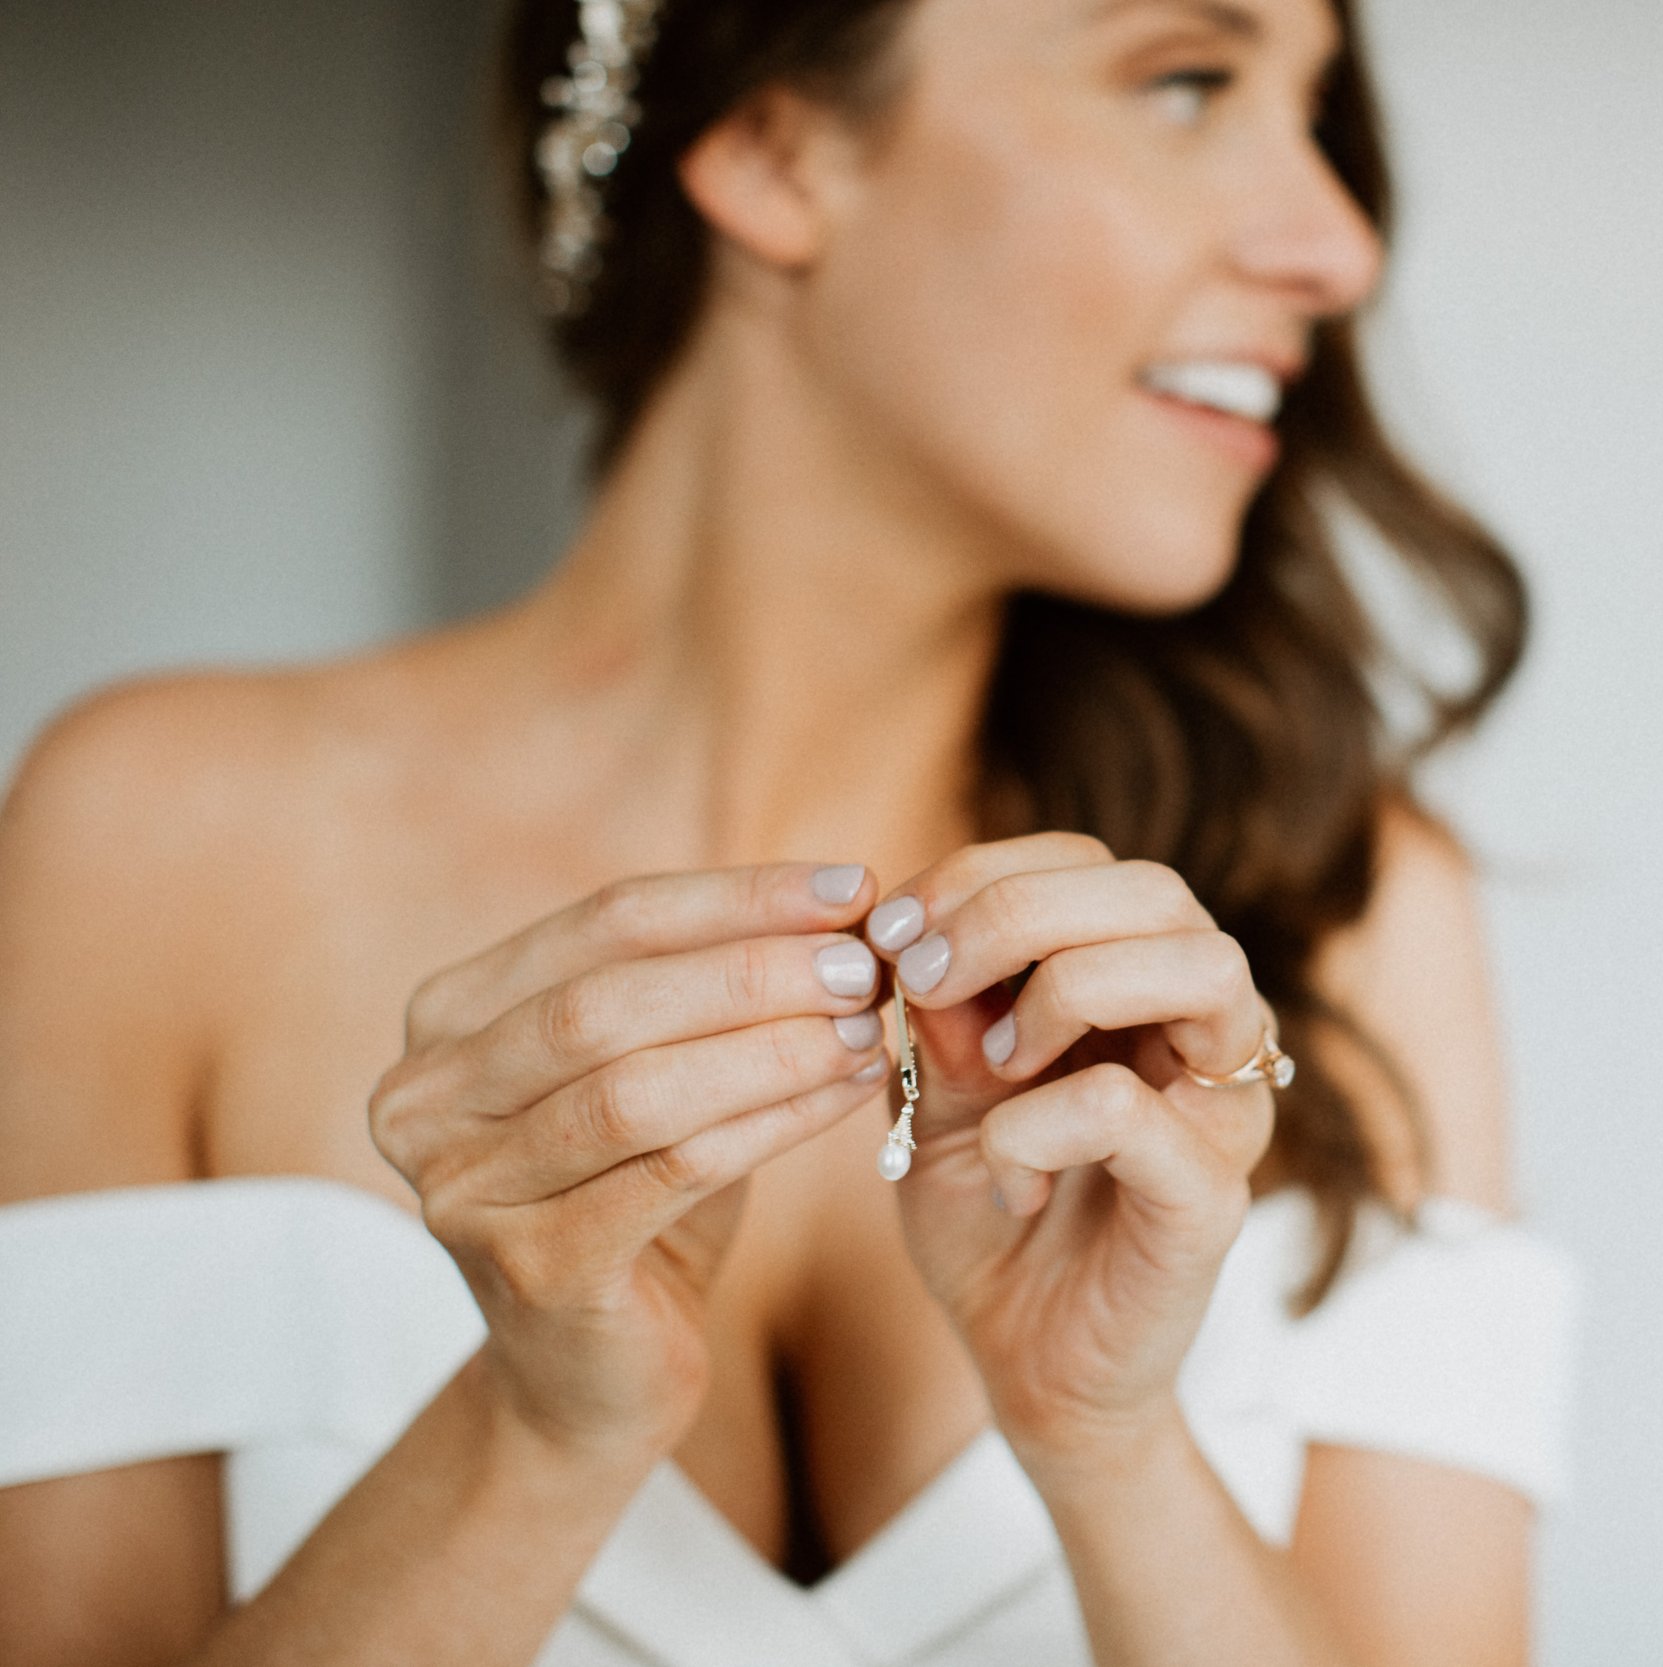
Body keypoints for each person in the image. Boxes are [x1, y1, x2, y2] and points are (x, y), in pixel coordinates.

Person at [0, 0, 1580, 1662]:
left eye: (1312, 110)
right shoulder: (158, 843)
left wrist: (1113, 1449)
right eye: (1184, 80)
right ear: (773, 152)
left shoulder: (1350, 910)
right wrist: (531, 1439)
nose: (1335, 243)